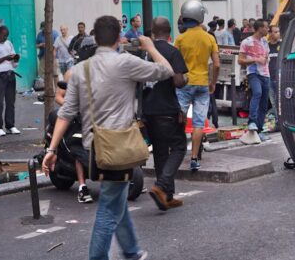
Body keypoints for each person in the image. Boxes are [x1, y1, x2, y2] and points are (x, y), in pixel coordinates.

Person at [43, 15, 173, 260]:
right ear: (117, 37)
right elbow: (166, 71)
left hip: (95, 147)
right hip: (119, 146)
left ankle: (132, 252)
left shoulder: (80, 70)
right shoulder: (126, 62)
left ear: (95, 36)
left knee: (117, 199)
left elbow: (66, 113)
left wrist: (51, 150)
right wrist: (151, 47)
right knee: (108, 208)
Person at [144, 17, 189, 211]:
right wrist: (185, 79)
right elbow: (178, 81)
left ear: (152, 32)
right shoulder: (172, 51)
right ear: (170, 32)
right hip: (167, 109)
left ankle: (166, 196)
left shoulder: (145, 53)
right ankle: (161, 186)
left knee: (160, 151)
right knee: (179, 147)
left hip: (148, 109)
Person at [175, 0, 220, 171]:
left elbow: (175, 63)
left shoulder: (180, 39)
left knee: (179, 118)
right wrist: (213, 82)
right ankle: (194, 158)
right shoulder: (209, 38)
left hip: (185, 84)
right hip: (202, 84)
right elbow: (216, 64)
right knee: (199, 123)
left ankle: (176, 152)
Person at [55, 65, 93, 203]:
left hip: (97, 117)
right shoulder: (71, 73)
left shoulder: (102, 70)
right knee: (79, 146)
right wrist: (73, 108)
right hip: (77, 117)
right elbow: (59, 96)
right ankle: (82, 187)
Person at [238, 19, 271, 141]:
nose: (268, 30)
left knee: (264, 103)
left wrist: (265, 59)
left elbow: (266, 56)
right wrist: (256, 60)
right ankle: (252, 121)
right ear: (260, 28)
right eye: (266, 27)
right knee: (257, 93)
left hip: (266, 74)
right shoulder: (247, 42)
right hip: (253, 73)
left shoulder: (264, 41)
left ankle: (259, 130)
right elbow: (240, 61)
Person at [0, 26, 21, 137]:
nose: (5, 38)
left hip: (10, 74)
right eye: (3, 36)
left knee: (10, 102)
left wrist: (15, 59)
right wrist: (5, 58)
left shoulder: (9, 43)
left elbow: (13, 60)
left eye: (6, 36)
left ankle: (10, 126)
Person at [36, 21, 59, 91]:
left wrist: (49, 45)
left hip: (53, 56)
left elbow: (57, 45)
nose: (43, 30)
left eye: (44, 28)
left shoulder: (55, 33)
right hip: (43, 56)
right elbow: (36, 45)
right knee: (43, 74)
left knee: (55, 73)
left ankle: (57, 90)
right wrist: (40, 45)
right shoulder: (39, 34)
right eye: (42, 28)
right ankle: (48, 90)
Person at [267, 25, 282, 118]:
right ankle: (278, 122)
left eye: (278, 32)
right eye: (275, 32)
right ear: (270, 33)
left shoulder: (283, 45)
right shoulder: (266, 47)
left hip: (280, 78)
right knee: (274, 102)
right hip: (269, 78)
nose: (278, 34)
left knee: (281, 102)